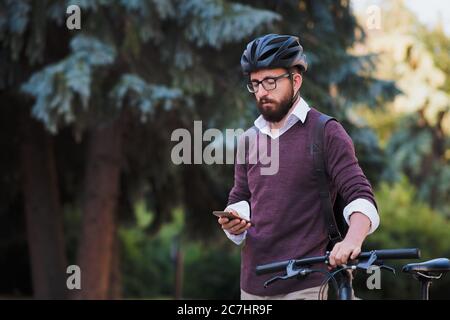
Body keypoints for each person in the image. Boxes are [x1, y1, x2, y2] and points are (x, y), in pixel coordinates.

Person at [217, 34, 380, 300]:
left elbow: (360, 195)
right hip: (252, 285)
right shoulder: (248, 139)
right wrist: (233, 219)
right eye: (255, 83)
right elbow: (241, 197)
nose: (261, 91)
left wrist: (352, 240)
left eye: (270, 81)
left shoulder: (326, 132)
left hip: (308, 284)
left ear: (296, 80)